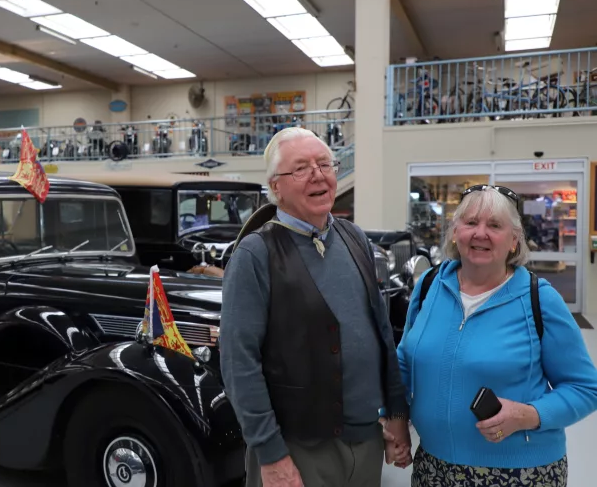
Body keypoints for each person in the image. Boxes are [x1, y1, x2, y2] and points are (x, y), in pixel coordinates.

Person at [220, 127, 411, 487]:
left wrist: (396, 411)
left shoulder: (353, 238)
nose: (318, 175)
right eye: (302, 168)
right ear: (276, 186)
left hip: (365, 440)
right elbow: (238, 363)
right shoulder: (254, 255)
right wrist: (271, 453)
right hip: (296, 449)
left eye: (325, 164)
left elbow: (380, 332)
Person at [397, 184, 597, 486]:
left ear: (514, 240)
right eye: (471, 222)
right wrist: (396, 418)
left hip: (519, 473)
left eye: (494, 225)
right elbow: (404, 361)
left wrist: (528, 414)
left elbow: (585, 388)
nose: (480, 233)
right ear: (455, 232)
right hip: (433, 468)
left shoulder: (539, 299)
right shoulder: (429, 285)